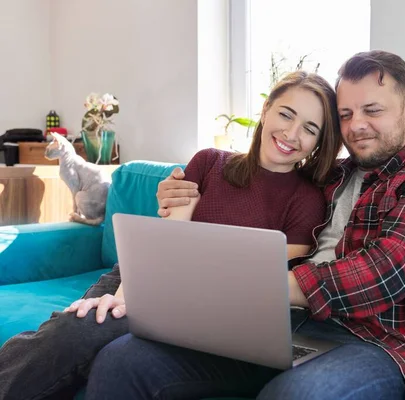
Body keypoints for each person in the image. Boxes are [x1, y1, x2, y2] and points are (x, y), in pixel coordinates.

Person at [84, 50, 405, 400]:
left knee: (296, 394)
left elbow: (385, 273)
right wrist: (179, 194)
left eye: (373, 110)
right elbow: (259, 182)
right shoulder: (328, 176)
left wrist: (239, 281)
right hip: (282, 328)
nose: (357, 125)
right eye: (345, 114)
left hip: (385, 344)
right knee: (123, 360)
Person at [0, 71, 343, 400]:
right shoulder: (210, 163)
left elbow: (262, 281)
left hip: (212, 306)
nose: (292, 133)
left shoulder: (307, 200)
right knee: (69, 329)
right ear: (266, 110)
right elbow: (167, 241)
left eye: (309, 129)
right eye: (286, 114)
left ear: (317, 142)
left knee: (82, 333)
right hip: (147, 276)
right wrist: (126, 295)